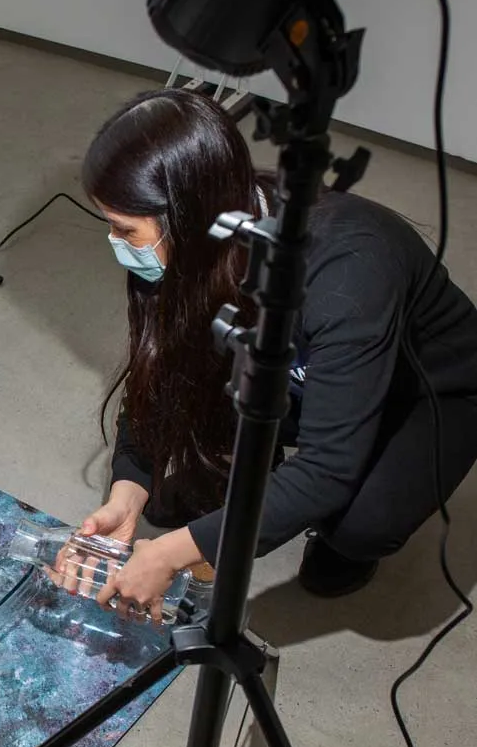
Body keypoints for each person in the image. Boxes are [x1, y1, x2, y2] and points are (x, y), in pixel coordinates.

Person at [72, 88, 477, 622]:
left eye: (125, 230)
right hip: (298, 368)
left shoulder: (349, 272)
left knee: (360, 522)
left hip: (428, 391)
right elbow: (161, 373)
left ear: (189, 220)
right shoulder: (197, 241)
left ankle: (345, 535)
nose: (116, 244)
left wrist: (173, 553)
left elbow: (330, 466)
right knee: (191, 478)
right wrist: (130, 487)